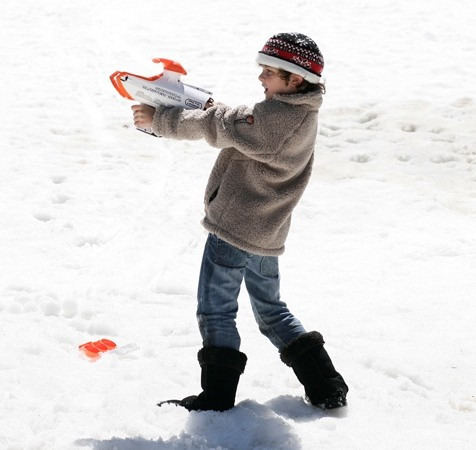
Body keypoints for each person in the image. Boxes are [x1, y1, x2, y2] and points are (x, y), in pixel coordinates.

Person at [131, 32, 348, 411]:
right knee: (271, 310)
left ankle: (216, 398)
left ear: (294, 78)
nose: (261, 79)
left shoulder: (277, 118)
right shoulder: (297, 110)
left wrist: (161, 120)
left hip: (235, 229)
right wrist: (208, 106)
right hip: (264, 230)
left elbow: (221, 127)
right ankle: (326, 385)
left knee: (216, 309)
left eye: (268, 72)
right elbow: (238, 121)